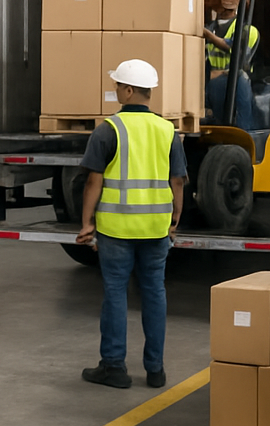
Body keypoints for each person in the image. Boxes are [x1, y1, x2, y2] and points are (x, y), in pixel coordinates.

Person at [75, 59, 187, 389]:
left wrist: (86, 222)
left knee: (115, 293)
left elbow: (93, 181)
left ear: (127, 90)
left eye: (117, 85)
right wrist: (175, 217)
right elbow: (177, 180)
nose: (114, 90)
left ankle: (114, 367)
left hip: (116, 230)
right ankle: (155, 370)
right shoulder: (168, 130)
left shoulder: (108, 129)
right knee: (154, 293)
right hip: (155, 229)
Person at [203, 0, 259, 131]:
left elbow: (233, 49)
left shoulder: (248, 30)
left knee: (240, 126)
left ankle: (243, 134)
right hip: (214, 84)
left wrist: (208, 36)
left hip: (236, 83)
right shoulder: (210, 27)